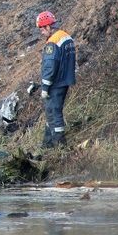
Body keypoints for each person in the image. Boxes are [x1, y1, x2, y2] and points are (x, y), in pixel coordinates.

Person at [36, 11, 76, 148]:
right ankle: (47, 144)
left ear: (48, 27)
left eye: (42, 29)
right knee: (50, 111)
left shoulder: (52, 42)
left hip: (56, 83)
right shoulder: (66, 37)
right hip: (65, 80)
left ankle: (59, 144)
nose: (41, 33)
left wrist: (45, 87)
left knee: (54, 111)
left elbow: (50, 66)